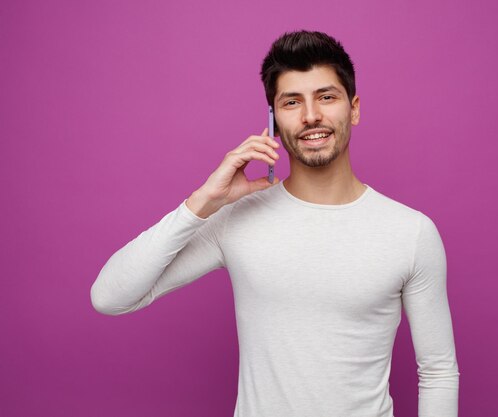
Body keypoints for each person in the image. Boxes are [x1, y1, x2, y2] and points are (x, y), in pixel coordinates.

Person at [91, 30, 460, 417]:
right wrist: (202, 201)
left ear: (354, 108)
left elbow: (437, 371)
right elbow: (110, 297)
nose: (311, 115)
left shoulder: (411, 232)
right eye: (291, 102)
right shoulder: (237, 218)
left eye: (326, 97)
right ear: (273, 118)